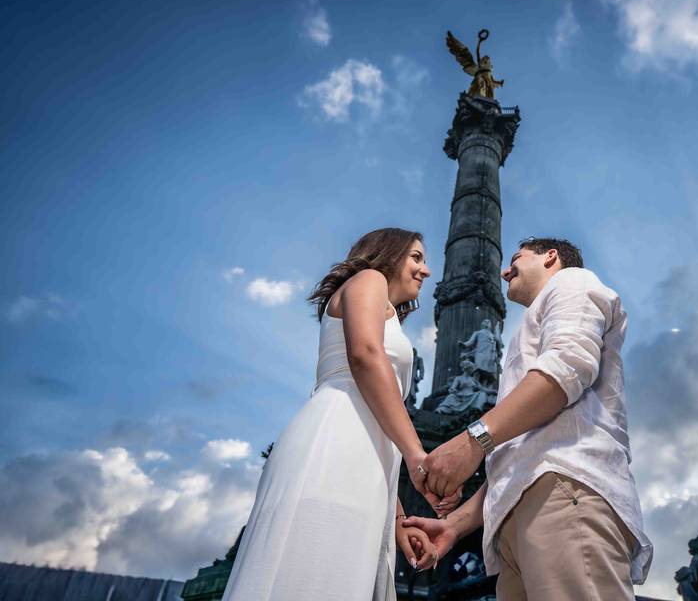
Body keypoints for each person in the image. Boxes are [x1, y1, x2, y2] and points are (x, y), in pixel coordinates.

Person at [404, 237, 654, 600]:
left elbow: (567, 367)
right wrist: (454, 526)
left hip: (565, 490)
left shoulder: (573, 282)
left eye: (517, 258)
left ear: (551, 257)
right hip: (522, 518)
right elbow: (519, 455)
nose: (505, 270)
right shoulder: (531, 329)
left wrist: (473, 441)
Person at [222, 228, 455, 601]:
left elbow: (377, 419)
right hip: (335, 439)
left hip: (361, 453)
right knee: (316, 567)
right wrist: (417, 455)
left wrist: (396, 521)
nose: (426, 270)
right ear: (387, 254)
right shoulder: (368, 278)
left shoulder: (388, 313)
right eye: (416, 257)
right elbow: (364, 354)